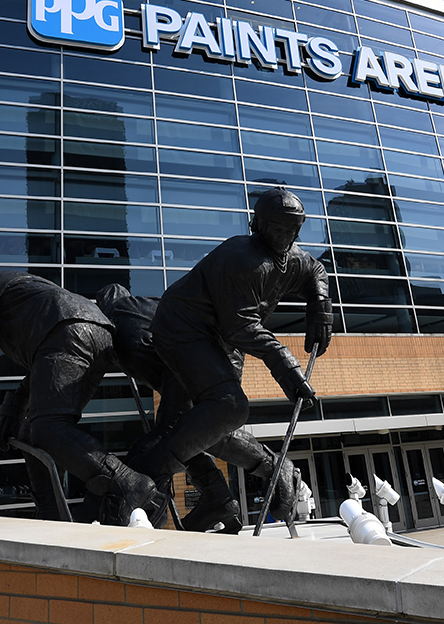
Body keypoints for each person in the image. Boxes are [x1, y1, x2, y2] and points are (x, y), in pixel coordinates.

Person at [127, 187, 334, 517]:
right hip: (186, 330)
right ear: (257, 225)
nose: (283, 237)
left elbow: (315, 271)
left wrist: (320, 305)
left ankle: (214, 495)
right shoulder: (241, 258)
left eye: (290, 230)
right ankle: (145, 473)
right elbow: (241, 326)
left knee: (208, 421)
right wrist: (283, 364)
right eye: (276, 228)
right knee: (224, 409)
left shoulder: (292, 258)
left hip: (228, 340)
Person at [0, 271, 161, 526]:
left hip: (66, 329)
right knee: (35, 434)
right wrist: (13, 408)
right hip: (96, 334)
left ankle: (128, 483)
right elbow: (43, 368)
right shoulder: (27, 292)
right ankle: (50, 512)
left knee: (48, 429)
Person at [96, 283, 294, 534]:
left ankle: (269, 468)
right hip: (207, 351)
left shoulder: (114, 324)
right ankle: (218, 498)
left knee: (179, 434)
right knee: (191, 433)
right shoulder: (141, 303)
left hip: (199, 354)